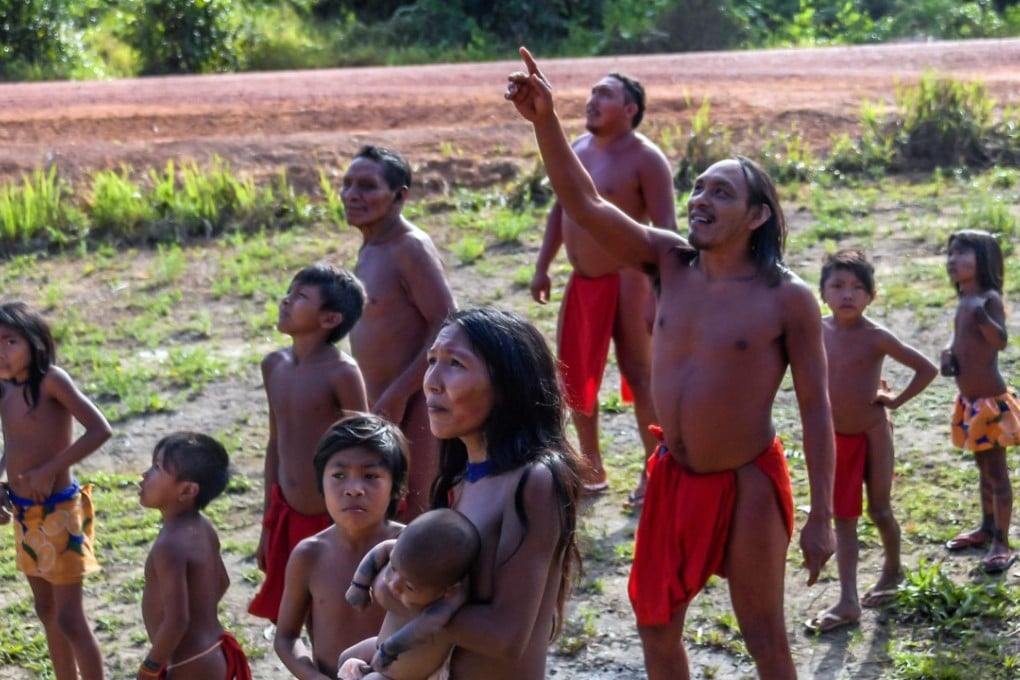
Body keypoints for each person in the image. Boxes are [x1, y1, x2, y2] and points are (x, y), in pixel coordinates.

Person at [506, 48, 836, 680]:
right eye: (699, 189)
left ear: (757, 216)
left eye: (722, 192)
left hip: (748, 484)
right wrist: (544, 121)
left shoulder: (786, 297)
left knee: (764, 633)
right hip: (672, 476)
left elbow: (816, 408)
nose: (700, 200)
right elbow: (586, 207)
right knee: (655, 627)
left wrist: (821, 513)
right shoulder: (668, 262)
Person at [354, 307, 582, 679]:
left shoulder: (536, 481)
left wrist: (402, 597)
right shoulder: (461, 480)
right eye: (431, 360)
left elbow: (506, 637)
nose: (431, 381)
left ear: (507, 385)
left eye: (456, 364)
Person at [529, 71, 676, 505]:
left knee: (640, 375)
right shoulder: (575, 148)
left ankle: (655, 471)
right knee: (574, 378)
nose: (592, 99)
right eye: (592, 92)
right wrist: (543, 266)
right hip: (583, 282)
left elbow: (666, 230)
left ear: (629, 110)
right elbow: (562, 207)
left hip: (632, 281)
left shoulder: (647, 159)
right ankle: (590, 468)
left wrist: (661, 292)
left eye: (605, 95)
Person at [805, 250, 937, 633]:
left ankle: (892, 571)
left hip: (874, 433)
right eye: (838, 286)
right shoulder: (816, 330)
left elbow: (925, 368)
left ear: (871, 295)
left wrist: (895, 401)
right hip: (836, 440)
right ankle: (848, 600)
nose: (847, 294)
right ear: (823, 292)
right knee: (845, 518)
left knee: (880, 510)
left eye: (857, 288)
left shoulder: (876, 337)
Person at [250, 262, 370, 623]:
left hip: (335, 519)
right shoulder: (274, 365)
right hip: (287, 510)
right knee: (297, 611)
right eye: (289, 292)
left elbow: (367, 449)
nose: (285, 300)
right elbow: (275, 443)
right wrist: (268, 522)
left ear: (330, 319)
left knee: (334, 613)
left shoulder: (342, 372)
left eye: (300, 296)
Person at [343, 145, 457, 521]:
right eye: (347, 184)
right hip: (387, 403)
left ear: (400, 196)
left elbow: (447, 322)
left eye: (366, 186)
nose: (352, 195)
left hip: (419, 400)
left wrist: (399, 393)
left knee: (421, 511)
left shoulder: (409, 247)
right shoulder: (372, 246)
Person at [0, 301, 112, 680]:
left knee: (69, 617)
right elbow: (13, 444)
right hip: (23, 512)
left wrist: (52, 468)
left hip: (59, 511)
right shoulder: (5, 389)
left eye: (10, 341)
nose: (1, 352)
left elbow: (100, 429)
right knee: (45, 609)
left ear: (35, 341)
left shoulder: (51, 380)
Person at [273, 414, 407, 679]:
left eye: (371, 475)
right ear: (320, 483)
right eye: (339, 475)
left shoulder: (407, 550)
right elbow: (286, 638)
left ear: (395, 487)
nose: (354, 489)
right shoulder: (309, 555)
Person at [138, 432, 253, 680]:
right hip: (212, 650)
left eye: (157, 468)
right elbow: (222, 581)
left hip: (189, 664)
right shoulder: (203, 527)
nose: (145, 475)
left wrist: (149, 668)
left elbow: (177, 620)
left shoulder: (169, 547)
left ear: (187, 490)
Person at [940, 229, 1020, 574]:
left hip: (990, 404)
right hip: (970, 402)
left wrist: (983, 318)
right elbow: (963, 340)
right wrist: (949, 353)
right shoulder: (964, 300)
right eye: (950, 254)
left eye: (962, 254)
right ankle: (987, 527)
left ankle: (1002, 541)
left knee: (997, 473)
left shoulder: (987, 299)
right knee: (983, 470)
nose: (953, 260)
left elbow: (999, 341)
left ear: (984, 261)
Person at [337, 508, 481, 680]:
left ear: (449, 589)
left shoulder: (452, 599)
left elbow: (425, 626)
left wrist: (389, 650)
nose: (393, 584)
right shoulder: (406, 554)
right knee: (346, 657)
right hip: (382, 647)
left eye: (410, 586)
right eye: (392, 568)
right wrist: (359, 584)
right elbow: (382, 549)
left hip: (404, 673)